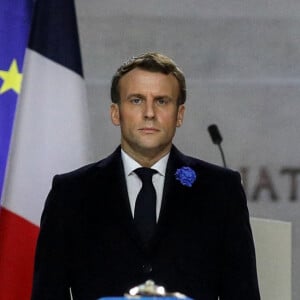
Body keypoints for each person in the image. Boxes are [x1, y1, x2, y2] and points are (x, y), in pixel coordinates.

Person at [31, 52, 260, 300]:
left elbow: (242, 293)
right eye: (137, 100)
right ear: (116, 113)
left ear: (179, 114)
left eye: (162, 101)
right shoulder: (71, 193)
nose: (149, 112)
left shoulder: (220, 191)